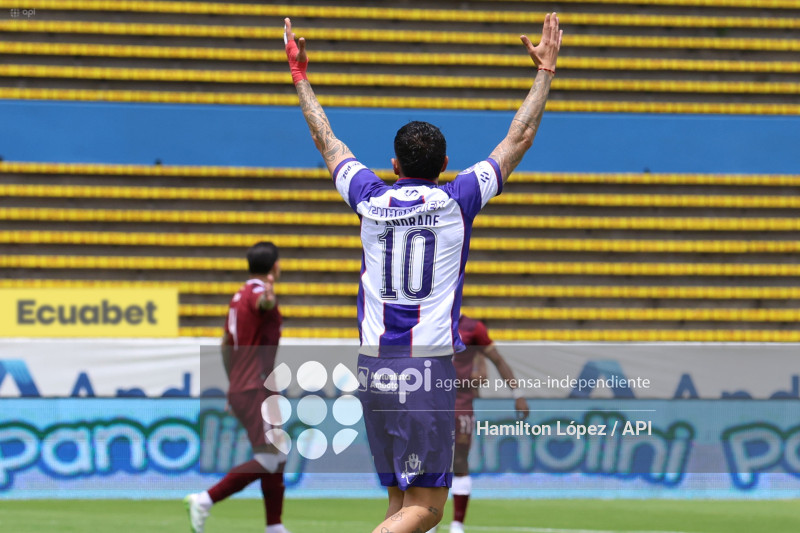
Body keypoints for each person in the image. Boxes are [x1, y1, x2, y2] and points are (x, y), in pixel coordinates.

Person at [284, 13, 561, 533]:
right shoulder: (459, 199)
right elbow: (519, 137)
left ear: (393, 165)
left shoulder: (369, 198)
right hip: (426, 370)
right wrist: (544, 72)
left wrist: (300, 76)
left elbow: (328, 142)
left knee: (399, 502)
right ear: (446, 162)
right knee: (429, 507)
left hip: (373, 368)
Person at [184, 242, 291, 533]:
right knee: (269, 457)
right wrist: (268, 298)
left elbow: (225, 344)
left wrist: (234, 384)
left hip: (248, 384)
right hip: (256, 384)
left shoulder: (238, 296)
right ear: (275, 266)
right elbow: (263, 304)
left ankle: (274, 526)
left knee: (277, 452)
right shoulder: (258, 293)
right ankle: (205, 500)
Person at [428, 315, 530, 533]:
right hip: (430, 403)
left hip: (460, 403)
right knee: (431, 463)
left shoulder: (473, 328)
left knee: (459, 462)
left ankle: (457, 525)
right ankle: (431, 522)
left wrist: (518, 394)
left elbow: (498, 360)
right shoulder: (427, 320)